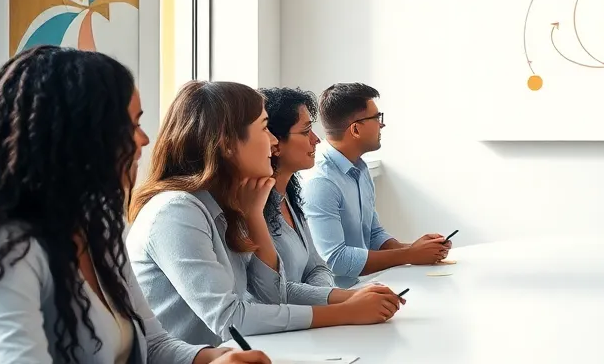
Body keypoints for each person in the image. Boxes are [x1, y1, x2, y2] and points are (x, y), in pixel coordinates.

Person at [0, 48, 274, 364]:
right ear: (82, 133)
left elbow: (151, 345)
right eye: (132, 124)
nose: (144, 140)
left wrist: (205, 359)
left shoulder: (98, 229)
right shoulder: (5, 246)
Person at [128, 82, 404, 346]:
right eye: (263, 128)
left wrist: (254, 216)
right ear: (226, 144)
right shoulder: (177, 211)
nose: (273, 142)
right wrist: (347, 310)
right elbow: (230, 319)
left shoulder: (232, 205)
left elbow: (274, 295)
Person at [303, 83, 452, 287]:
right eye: (376, 118)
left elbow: (373, 234)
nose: (382, 125)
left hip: (368, 285)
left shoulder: (361, 169)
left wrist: (420, 249)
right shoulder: (321, 183)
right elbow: (335, 260)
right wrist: (409, 254)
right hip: (340, 299)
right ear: (355, 129)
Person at [262, 87, 367, 307]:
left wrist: (325, 296)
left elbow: (318, 266)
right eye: (305, 131)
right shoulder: (253, 207)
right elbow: (274, 292)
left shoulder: (289, 195)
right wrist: (344, 300)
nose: (316, 139)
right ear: (275, 142)